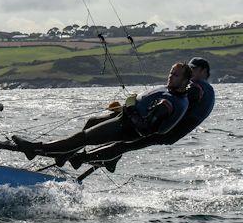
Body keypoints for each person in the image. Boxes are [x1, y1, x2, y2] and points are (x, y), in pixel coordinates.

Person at [12, 62, 193, 161]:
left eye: (175, 75)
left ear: (185, 80)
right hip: (124, 118)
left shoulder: (170, 103)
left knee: (83, 138)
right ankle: (64, 155)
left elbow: (145, 129)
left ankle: (35, 149)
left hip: (126, 127)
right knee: (90, 125)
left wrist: (130, 107)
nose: (170, 76)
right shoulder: (172, 91)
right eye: (170, 72)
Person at [69, 57, 215, 172]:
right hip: (168, 132)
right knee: (122, 145)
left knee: (120, 144)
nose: (189, 73)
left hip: (161, 129)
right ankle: (104, 159)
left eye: (192, 69)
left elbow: (191, 93)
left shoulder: (199, 86)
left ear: (203, 71)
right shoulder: (210, 93)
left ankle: (74, 157)